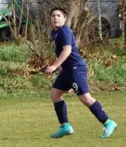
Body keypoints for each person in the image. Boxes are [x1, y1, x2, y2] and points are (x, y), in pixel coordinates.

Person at [45, 7, 117, 139]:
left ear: (65, 18)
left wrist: (55, 66)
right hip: (67, 70)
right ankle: (65, 127)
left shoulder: (65, 31)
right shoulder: (54, 32)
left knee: (85, 98)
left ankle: (108, 123)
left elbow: (67, 50)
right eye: (53, 15)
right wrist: (61, 69)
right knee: (55, 94)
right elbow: (61, 52)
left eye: (59, 15)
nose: (55, 18)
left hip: (76, 69)